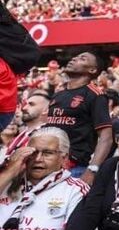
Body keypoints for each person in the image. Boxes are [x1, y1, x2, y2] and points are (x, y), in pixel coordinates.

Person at [0, 128, 87, 230]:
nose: (38, 159)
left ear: (64, 158)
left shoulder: (75, 190)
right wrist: (11, 171)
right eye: (33, 153)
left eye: (47, 153)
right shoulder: (5, 183)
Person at [45, 52, 113, 186]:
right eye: (74, 56)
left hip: (73, 168)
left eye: (82, 58)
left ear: (92, 70)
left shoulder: (96, 95)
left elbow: (106, 137)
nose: (74, 58)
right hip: (48, 163)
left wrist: (92, 170)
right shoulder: (59, 94)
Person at [2, 90, 50, 161]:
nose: (24, 108)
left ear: (46, 110)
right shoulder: (23, 134)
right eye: (25, 104)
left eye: (31, 104)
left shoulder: (45, 135)